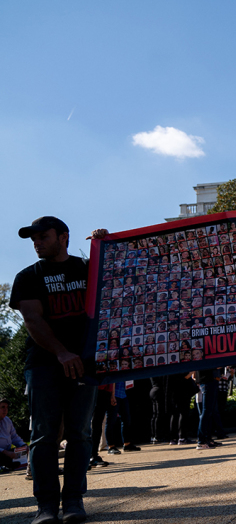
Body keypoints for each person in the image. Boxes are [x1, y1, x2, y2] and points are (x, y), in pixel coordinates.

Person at [11, 217, 108, 524]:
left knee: (80, 433)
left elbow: (117, 280)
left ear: (63, 237)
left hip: (85, 364)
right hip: (43, 365)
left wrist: (105, 246)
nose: (37, 242)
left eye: (43, 236)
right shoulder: (27, 277)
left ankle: (74, 501)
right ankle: (46, 506)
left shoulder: (86, 268)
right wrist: (61, 352)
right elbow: (33, 320)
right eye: (33, 238)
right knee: (43, 435)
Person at [1, 397, 28, 471]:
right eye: (2, 407)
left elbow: (14, 437)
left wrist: (24, 446)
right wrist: (5, 452)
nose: (5, 410)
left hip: (8, 451)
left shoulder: (7, 420)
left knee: (24, 454)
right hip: (2, 452)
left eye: (7, 407)